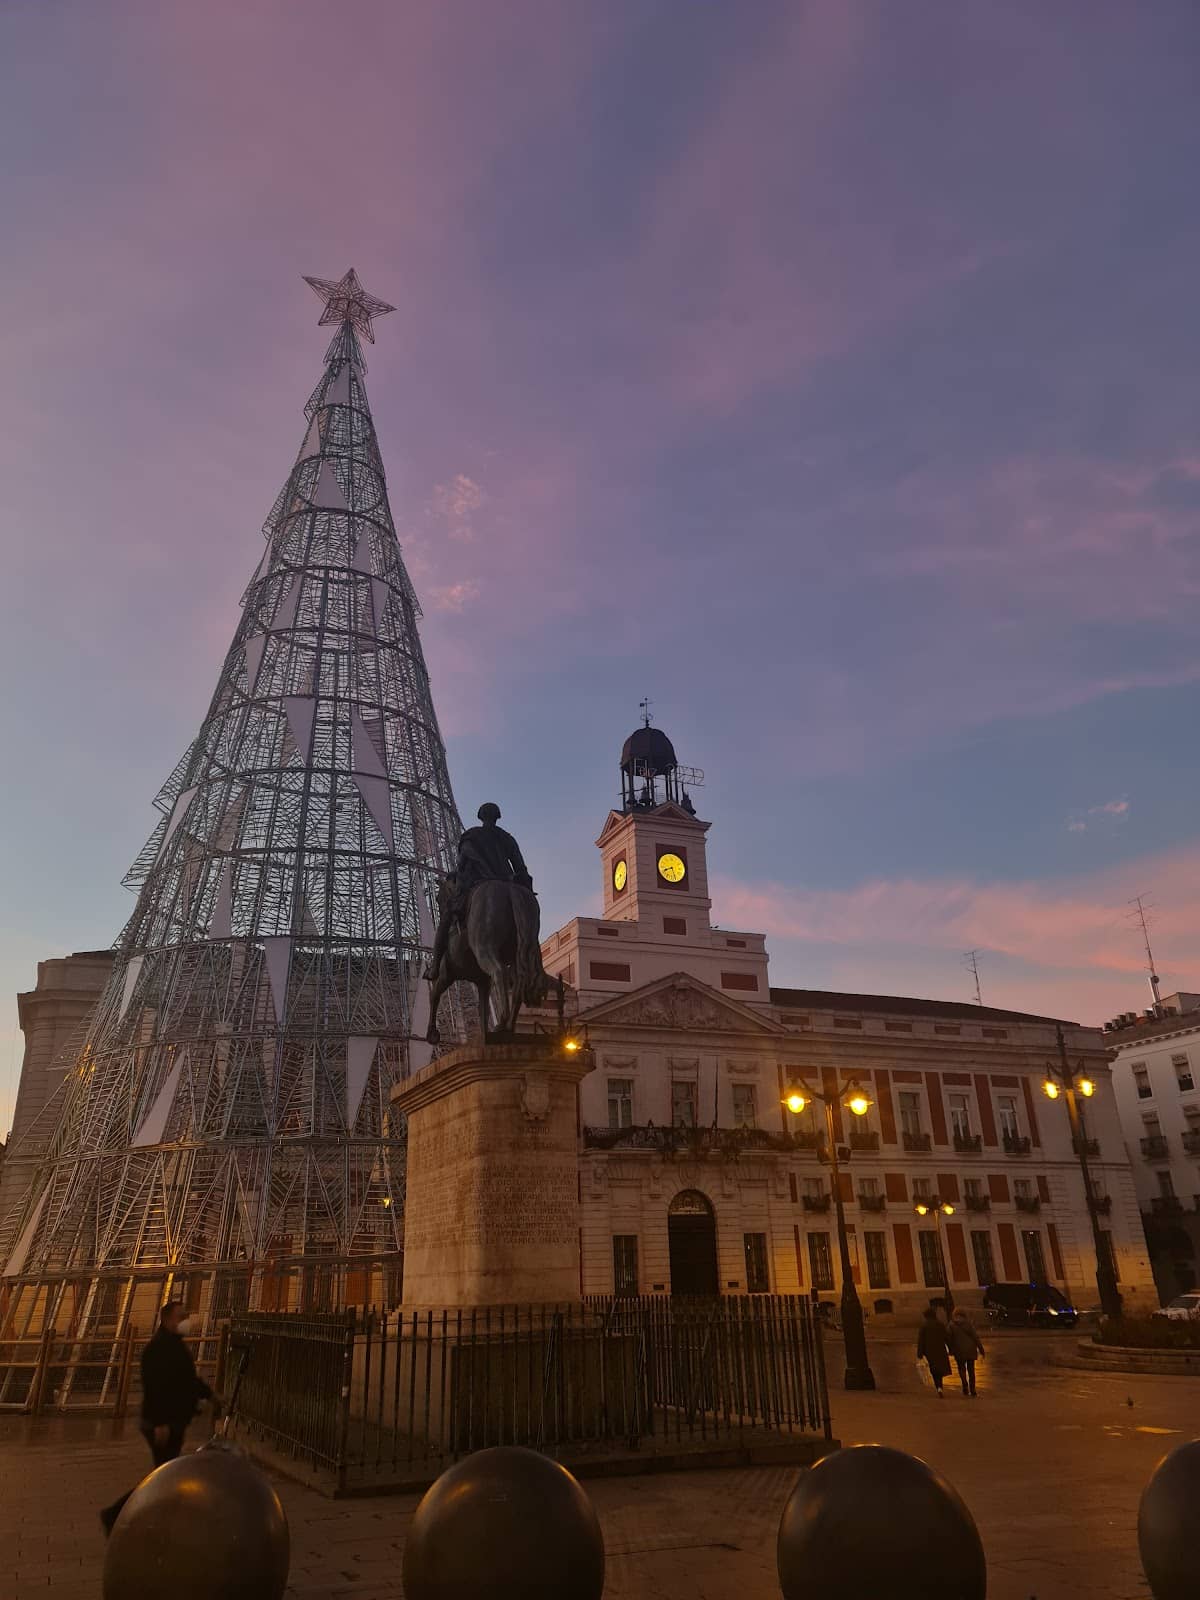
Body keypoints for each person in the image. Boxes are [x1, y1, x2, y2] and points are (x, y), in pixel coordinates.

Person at [100, 1301, 219, 1535]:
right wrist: (160, 1422)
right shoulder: (159, 1348)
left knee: (164, 1475)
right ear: (166, 1320)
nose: (185, 1320)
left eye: (185, 1315)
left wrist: (210, 1395)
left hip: (173, 1420)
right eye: (180, 1316)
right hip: (162, 1423)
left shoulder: (173, 1345)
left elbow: (187, 1379)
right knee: (162, 1477)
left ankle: (154, 1518)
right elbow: (154, 1387)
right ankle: (117, 1514)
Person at [424, 802, 534, 983]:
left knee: (447, 917)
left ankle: (435, 966)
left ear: (481, 816)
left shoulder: (472, 835)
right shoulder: (507, 838)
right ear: (497, 816)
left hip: (478, 883)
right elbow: (521, 868)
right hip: (509, 882)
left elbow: (462, 863)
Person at [948, 1306, 986, 1397]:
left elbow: (948, 1338)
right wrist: (981, 1349)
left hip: (958, 1350)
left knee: (961, 1368)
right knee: (971, 1370)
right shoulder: (968, 1324)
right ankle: (973, 1390)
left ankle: (964, 1384)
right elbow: (975, 1337)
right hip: (970, 1350)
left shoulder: (951, 1325)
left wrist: (951, 1349)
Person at [916, 1305, 952, 1397]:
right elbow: (946, 1337)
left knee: (934, 1369)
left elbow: (921, 1341)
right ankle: (940, 1386)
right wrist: (951, 1349)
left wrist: (920, 1353)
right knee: (940, 1369)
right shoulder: (940, 1324)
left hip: (929, 1351)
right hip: (940, 1349)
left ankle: (938, 1387)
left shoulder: (924, 1326)